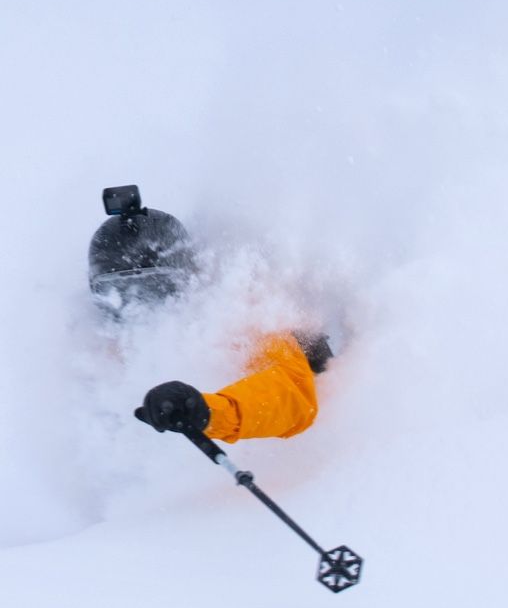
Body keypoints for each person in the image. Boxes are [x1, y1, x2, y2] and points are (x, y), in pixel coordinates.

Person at [87, 184, 334, 444]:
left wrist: (206, 413)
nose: (141, 303)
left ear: (190, 276)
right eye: (118, 292)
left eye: (158, 286)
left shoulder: (239, 322)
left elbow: (290, 394)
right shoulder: (97, 351)